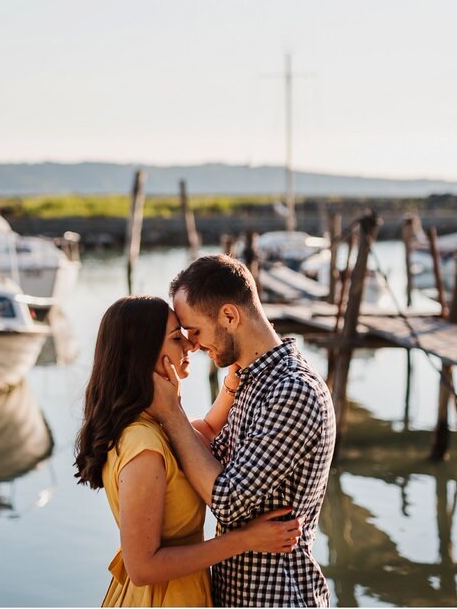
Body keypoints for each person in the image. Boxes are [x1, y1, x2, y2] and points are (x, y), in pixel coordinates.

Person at [74, 295, 302, 607]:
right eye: (175, 337)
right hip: (164, 597)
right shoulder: (144, 448)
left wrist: (233, 381)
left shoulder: (151, 423)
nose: (189, 346)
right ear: (143, 353)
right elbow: (143, 568)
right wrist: (247, 539)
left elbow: (203, 431)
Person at [148, 255, 337, 607]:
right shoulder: (250, 380)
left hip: (277, 598)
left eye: (196, 331)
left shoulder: (292, 391)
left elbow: (228, 500)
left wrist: (173, 415)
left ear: (230, 316)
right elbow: (209, 459)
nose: (192, 345)